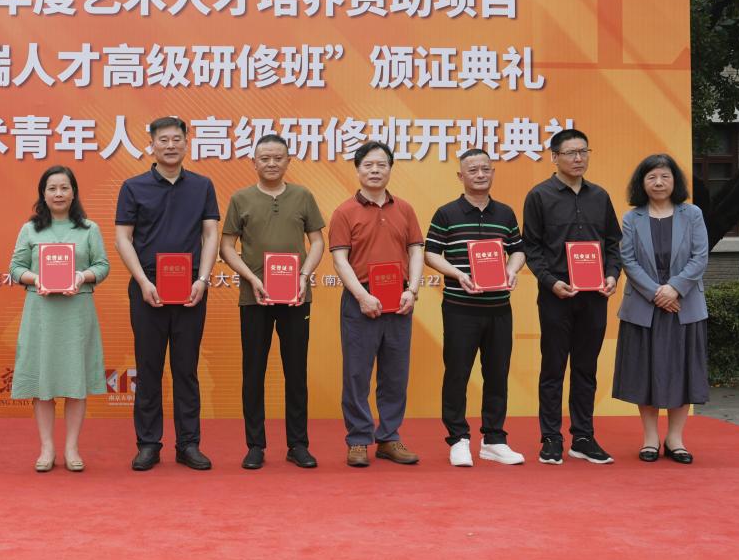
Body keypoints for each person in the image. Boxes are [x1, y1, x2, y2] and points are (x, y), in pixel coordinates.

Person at [115, 116, 220, 471]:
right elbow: (123, 238)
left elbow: (210, 234)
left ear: (187, 143)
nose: (171, 145)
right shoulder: (133, 187)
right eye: (164, 139)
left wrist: (203, 279)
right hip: (148, 289)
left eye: (177, 139)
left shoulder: (202, 186)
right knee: (148, 368)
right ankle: (148, 443)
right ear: (152, 145)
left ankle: (189, 444)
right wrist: (143, 282)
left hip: (191, 290)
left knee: (186, 369)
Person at [219, 134, 325, 470]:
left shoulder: (303, 196)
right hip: (255, 298)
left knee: (296, 372)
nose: (271, 163)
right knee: (253, 371)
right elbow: (226, 246)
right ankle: (255, 445)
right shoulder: (241, 199)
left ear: (288, 161)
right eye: (264, 158)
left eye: (278, 158)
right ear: (254, 162)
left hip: (296, 297)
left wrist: (304, 276)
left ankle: (298, 444)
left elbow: (317, 242)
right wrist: (251, 278)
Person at [522, 128, 621, 465]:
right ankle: (551, 438)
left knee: (585, 368)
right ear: (554, 157)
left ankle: (583, 437)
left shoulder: (600, 196)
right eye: (570, 153)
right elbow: (532, 248)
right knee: (553, 368)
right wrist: (551, 282)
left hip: (594, 296)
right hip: (557, 296)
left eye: (583, 151)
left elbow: (613, 244)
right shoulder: (539, 196)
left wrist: (612, 274)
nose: (578, 158)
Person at [424, 149, 527, 467]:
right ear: (461, 176)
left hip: (499, 308)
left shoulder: (505, 213)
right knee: (457, 373)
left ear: (493, 172)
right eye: (473, 170)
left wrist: (512, 270)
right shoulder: (446, 213)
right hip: (460, 308)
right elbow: (431, 253)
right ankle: (458, 439)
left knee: (497, 373)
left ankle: (494, 439)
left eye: (485, 169)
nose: (480, 174)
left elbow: (518, 250)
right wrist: (458, 274)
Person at [328, 141, 424, 468]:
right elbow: (340, 260)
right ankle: (358, 439)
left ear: (390, 169)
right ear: (357, 170)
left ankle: (389, 438)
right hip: (361, 300)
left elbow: (416, 250)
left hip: (400, 299)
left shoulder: (405, 209)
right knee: (357, 373)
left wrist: (413, 290)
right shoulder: (344, 212)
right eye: (368, 165)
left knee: (395, 373)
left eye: (381, 164)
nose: (375, 170)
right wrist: (362, 296)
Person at [9, 166, 110, 472]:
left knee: (75, 379)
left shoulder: (89, 229)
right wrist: (35, 278)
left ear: (74, 192)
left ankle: (72, 447)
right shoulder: (30, 229)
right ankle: (47, 448)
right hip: (41, 312)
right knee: (43, 381)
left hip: (76, 313)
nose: (58, 194)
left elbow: (102, 265)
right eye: (52, 188)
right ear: (43, 194)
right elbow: (15, 268)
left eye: (64, 188)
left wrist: (82, 276)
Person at [612, 154, 709, 464]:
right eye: (651, 177)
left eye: (665, 176)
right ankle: (650, 438)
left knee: (683, 372)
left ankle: (675, 438)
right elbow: (628, 260)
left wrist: (674, 288)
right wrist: (657, 293)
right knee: (646, 372)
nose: (658, 183)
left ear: (674, 181)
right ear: (642, 183)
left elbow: (700, 256)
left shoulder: (692, 214)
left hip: (684, 305)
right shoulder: (632, 218)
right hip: (645, 306)